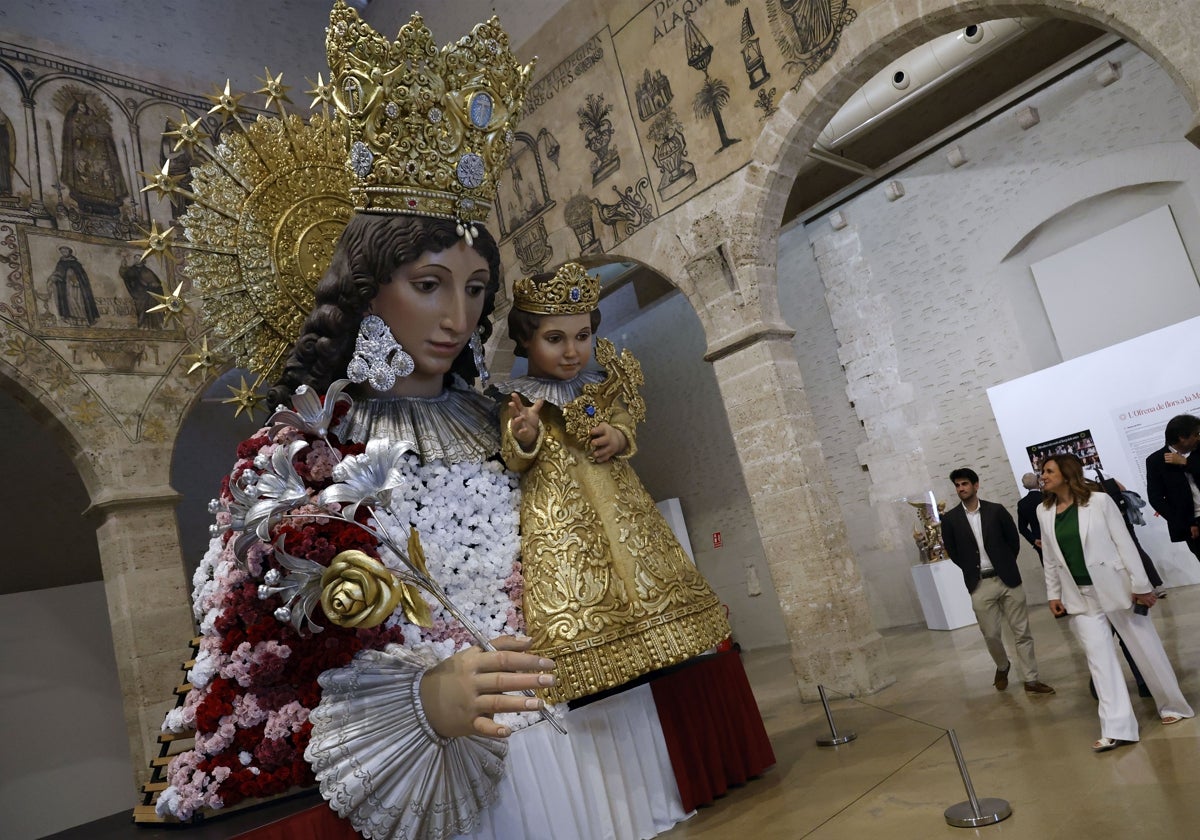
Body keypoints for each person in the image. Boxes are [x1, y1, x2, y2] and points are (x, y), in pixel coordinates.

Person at [155, 5, 739, 839]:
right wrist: (426, 694)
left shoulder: (509, 415)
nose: (457, 316)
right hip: (444, 756)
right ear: (368, 289)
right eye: (429, 284)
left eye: (473, 288)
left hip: (576, 722)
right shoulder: (307, 452)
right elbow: (284, 642)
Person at [496, 262, 731, 703]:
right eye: (555, 339)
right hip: (562, 520)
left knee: (644, 571)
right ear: (526, 341)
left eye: (582, 337)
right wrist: (524, 435)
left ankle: (667, 644)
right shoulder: (518, 399)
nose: (572, 351)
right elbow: (513, 456)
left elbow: (623, 418)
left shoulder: (599, 384)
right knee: (584, 585)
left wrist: (619, 435)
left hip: (621, 504)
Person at [1037, 454, 1193, 752]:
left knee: (1145, 648)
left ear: (1067, 474)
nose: (1042, 476)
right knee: (1099, 661)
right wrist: (1053, 593)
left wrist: (1141, 585)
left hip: (1117, 588)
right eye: (1042, 471)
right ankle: (1117, 727)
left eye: (1048, 471)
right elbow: (1050, 559)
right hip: (1079, 596)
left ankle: (1173, 705)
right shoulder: (1043, 511)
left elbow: (1124, 543)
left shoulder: (1099, 502)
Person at [941, 468, 1054, 695]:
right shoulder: (951, 519)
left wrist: (1004, 564)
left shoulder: (996, 511)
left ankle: (1031, 680)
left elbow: (1013, 541)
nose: (961, 488)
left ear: (976, 485)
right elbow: (953, 551)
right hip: (979, 584)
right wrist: (972, 569)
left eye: (965, 484)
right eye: (957, 485)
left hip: (1008, 579)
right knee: (991, 634)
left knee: (1021, 632)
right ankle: (1003, 666)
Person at [1146, 413, 1200, 562]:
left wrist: (1185, 463)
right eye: (1196, 434)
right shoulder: (1155, 461)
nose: (1198, 438)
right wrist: (1184, 523)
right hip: (1193, 524)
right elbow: (1156, 498)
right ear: (1182, 437)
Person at [1015, 472, 1043, 562]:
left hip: (1040, 542)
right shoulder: (1048, 496)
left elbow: (1022, 528)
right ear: (1038, 481)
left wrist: (1034, 540)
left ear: (1024, 487)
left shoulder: (1022, 504)